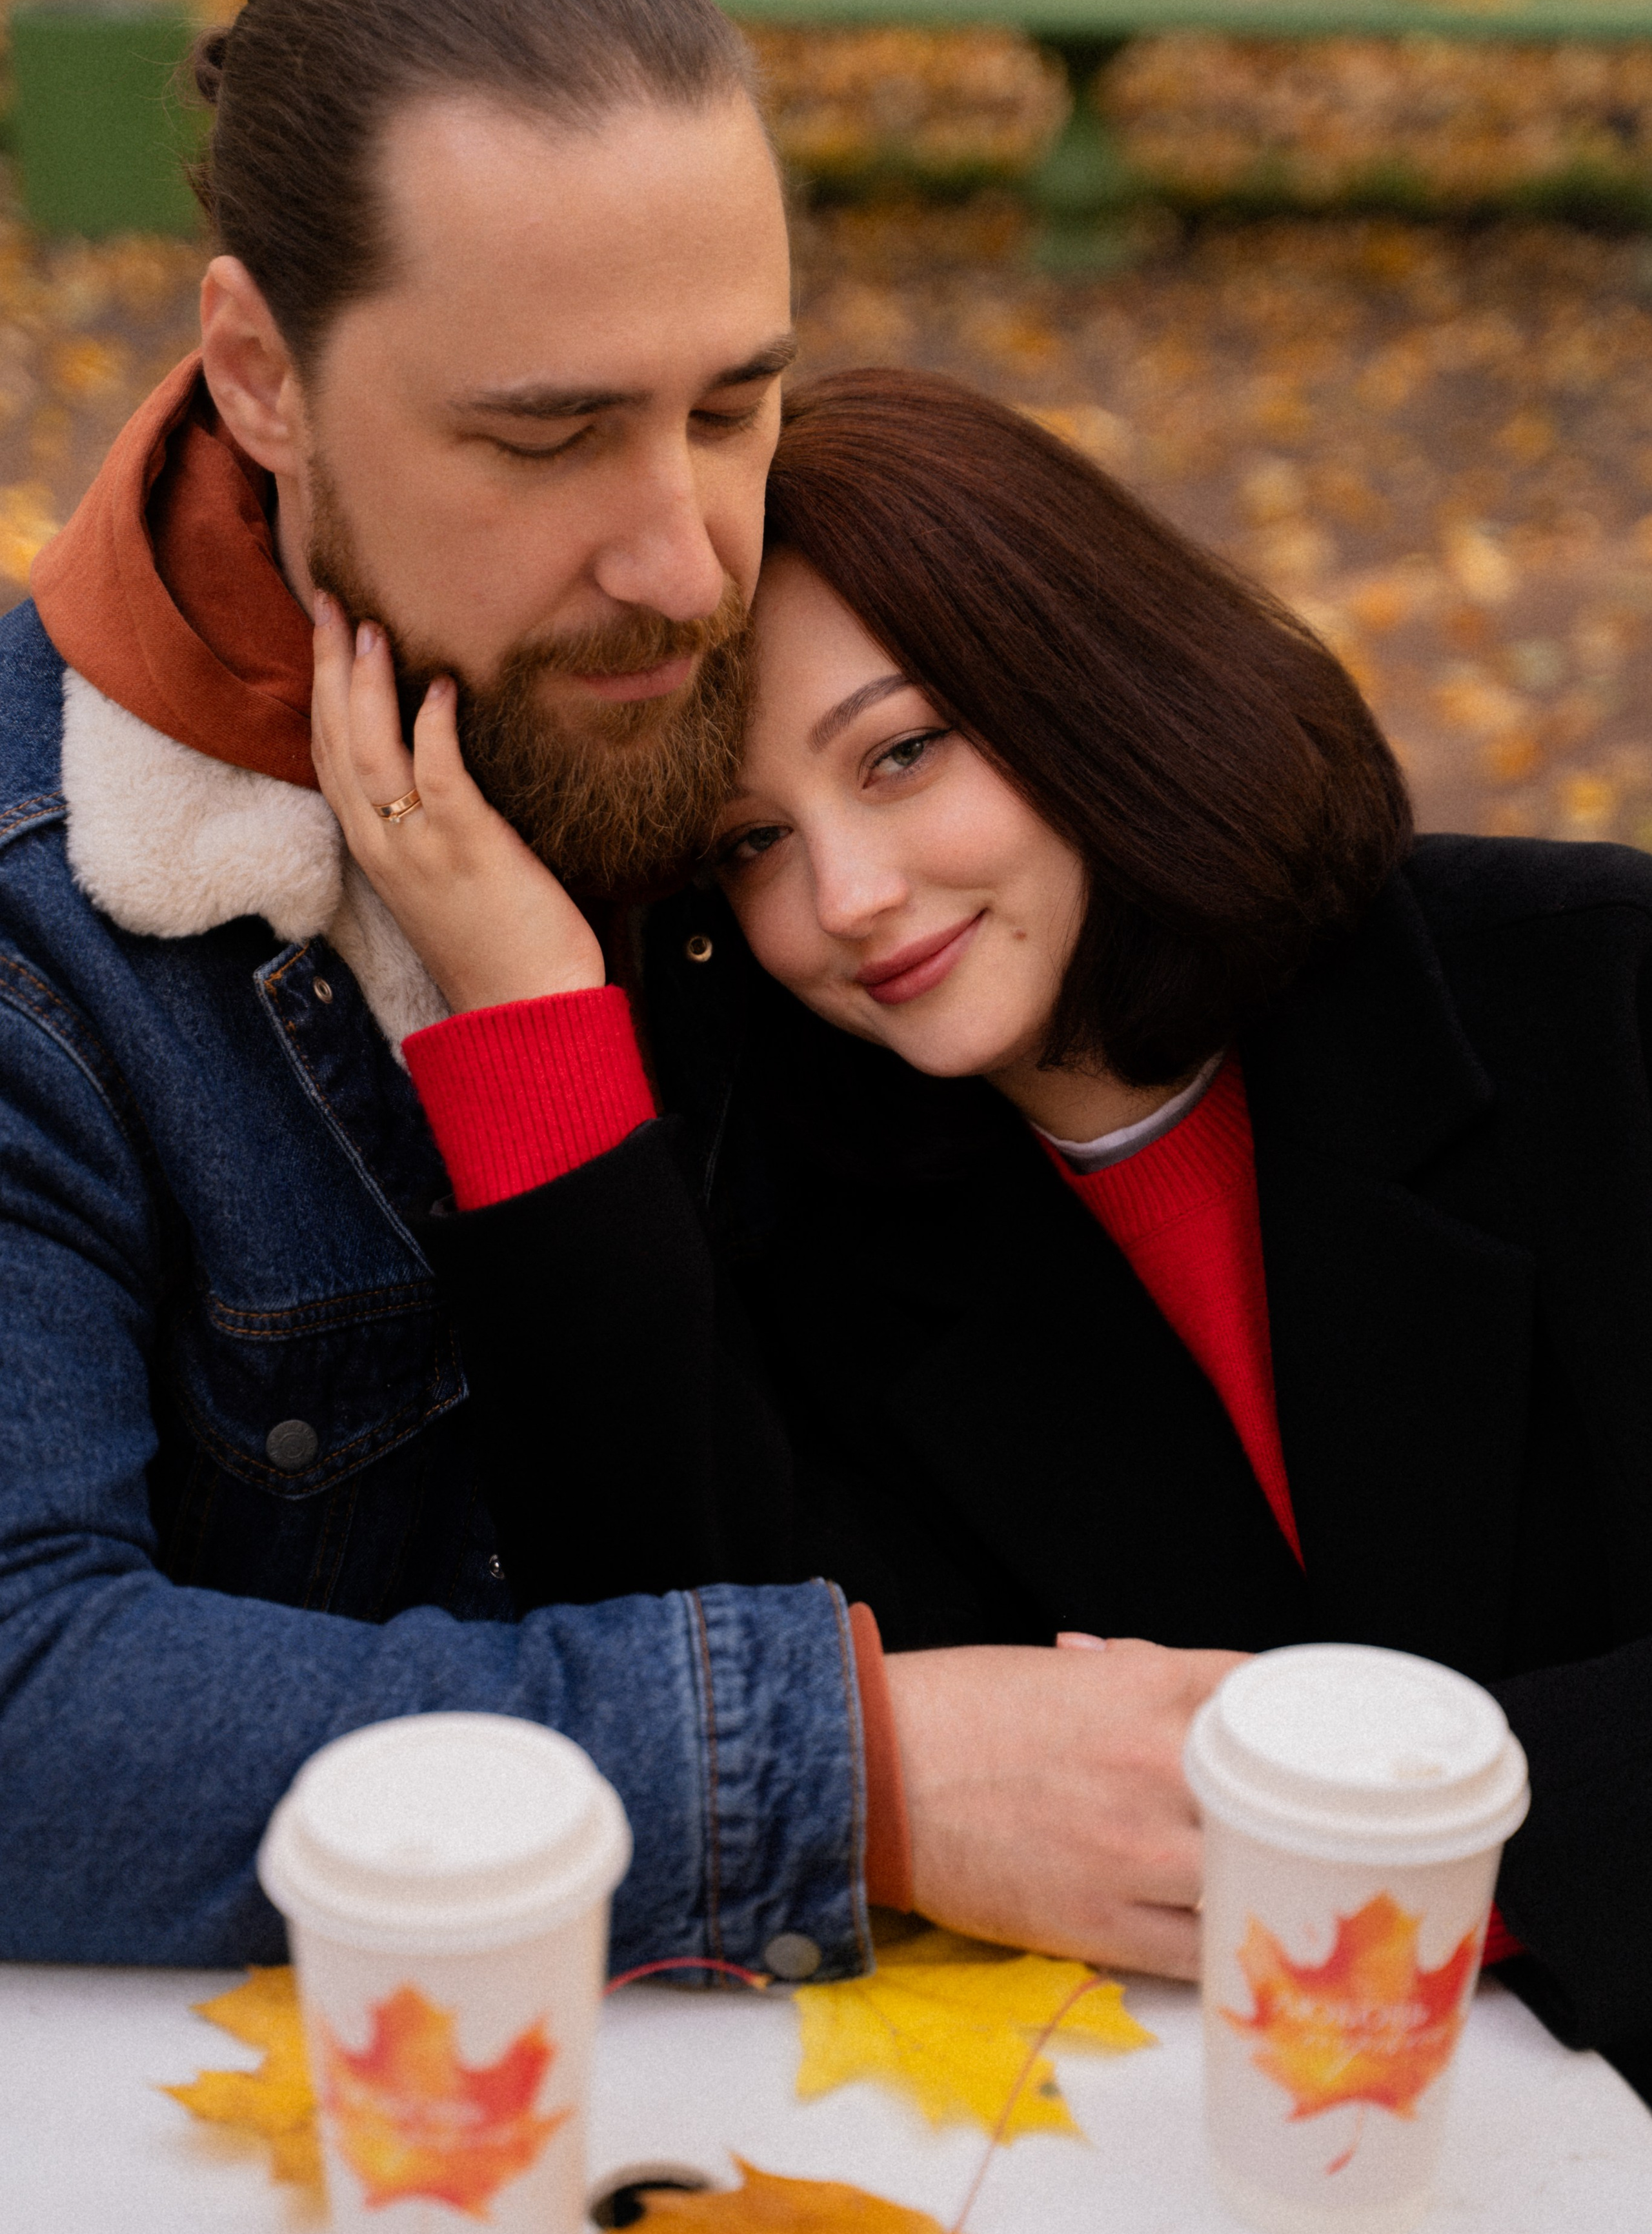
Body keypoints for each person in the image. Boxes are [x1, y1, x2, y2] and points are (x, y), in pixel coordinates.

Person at [0, 0, 1225, 1986]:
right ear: (260, 375)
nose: (684, 561)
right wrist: (860, 1767)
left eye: (736, 405)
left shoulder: (789, 710)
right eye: (548, 437)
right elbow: (29, 1714)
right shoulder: (49, 938)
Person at [312, 366, 1652, 2083]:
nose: (847, 900)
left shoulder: (1593, 995)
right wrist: (524, 1010)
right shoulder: (809, 1218)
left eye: (903, 751)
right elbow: (689, 1698)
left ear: (1082, 679)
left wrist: (1414, 1855)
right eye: (751, 844)